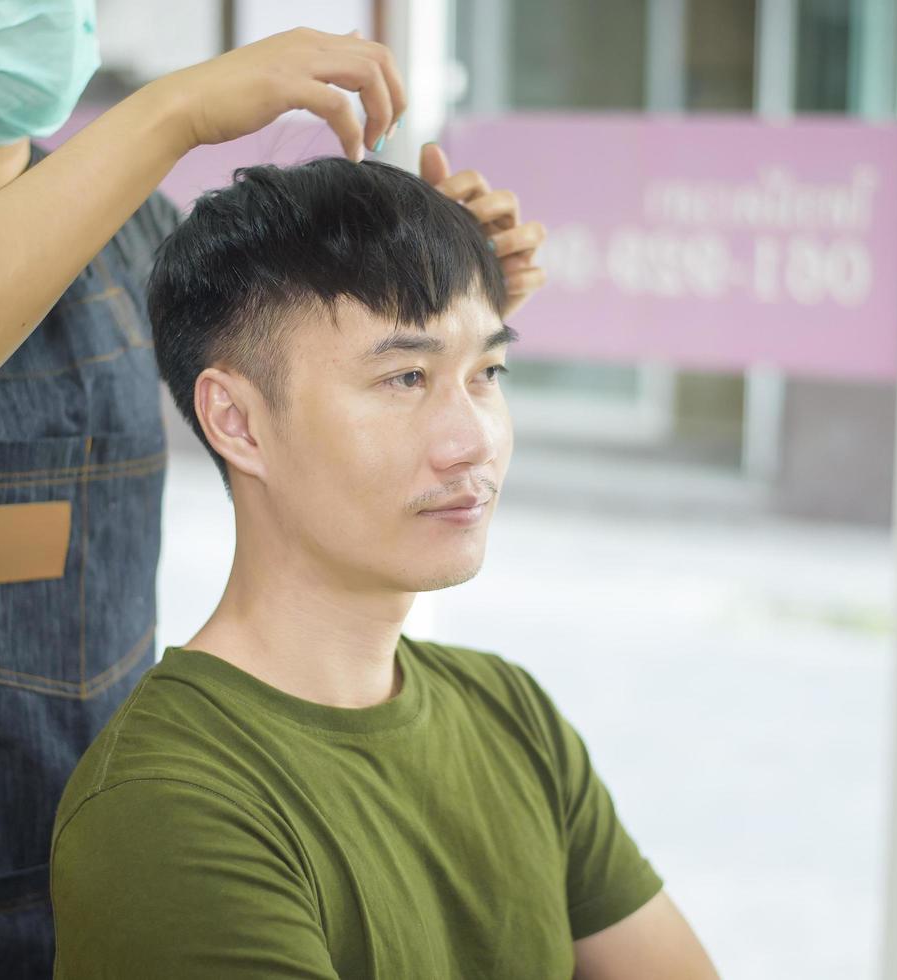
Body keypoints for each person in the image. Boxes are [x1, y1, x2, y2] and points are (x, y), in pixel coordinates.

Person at [0, 2, 546, 975]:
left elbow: (296, 398)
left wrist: (437, 320)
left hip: (107, 864)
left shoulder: (132, 229)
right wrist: (166, 115)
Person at [48, 157, 717, 979]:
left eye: (486, 375)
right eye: (405, 377)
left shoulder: (511, 713)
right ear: (239, 422)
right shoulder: (166, 806)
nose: (472, 440)